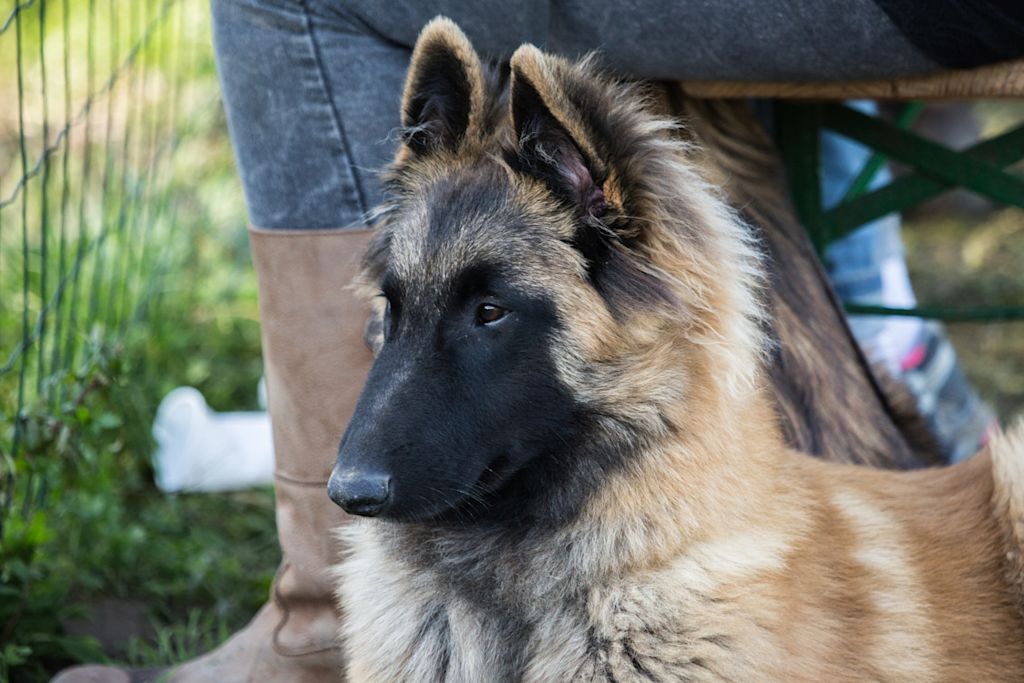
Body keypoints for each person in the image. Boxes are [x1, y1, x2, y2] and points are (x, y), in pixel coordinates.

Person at [55, 2, 1021, 681]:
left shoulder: (717, 632)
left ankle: (309, 623)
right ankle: (321, 618)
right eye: (396, 313)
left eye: (489, 317)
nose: (360, 474)